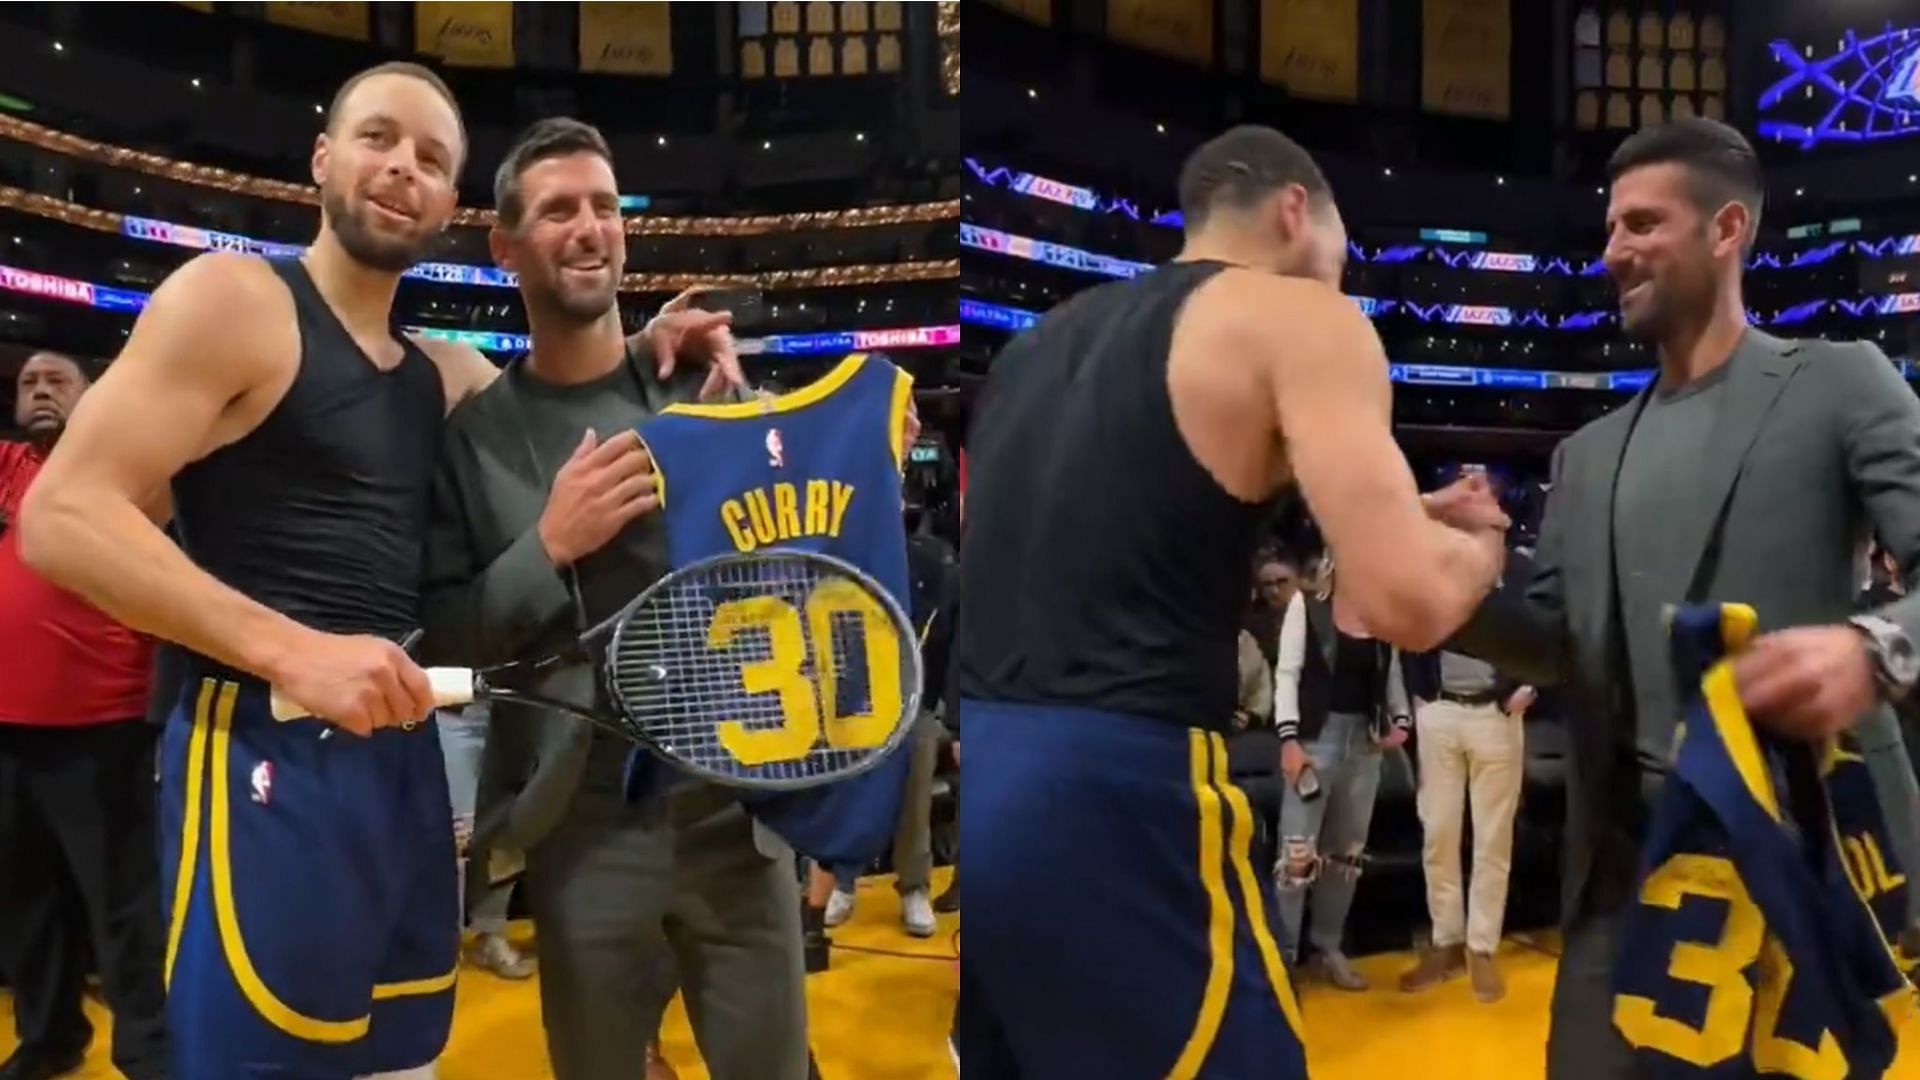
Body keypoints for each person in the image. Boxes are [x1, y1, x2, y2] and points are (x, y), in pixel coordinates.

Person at [19, 67, 733, 1080]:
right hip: (255, 750)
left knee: (400, 1062)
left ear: (448, 206)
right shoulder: (235, 300)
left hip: (399, 764)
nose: (404, 167)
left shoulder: (442, 376)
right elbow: (63, 516)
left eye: (433, 159)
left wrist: (651, 344)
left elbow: (568, 373)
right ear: (323, 159)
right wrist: (292, 651)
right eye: (378, 139)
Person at [953, 124, 1507, 1078]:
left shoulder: (1040, 347)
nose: (1343, 272)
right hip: (1125, 785)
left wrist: (1401, 509)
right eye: (1344, 247)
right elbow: (1406, 600)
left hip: (988, 784)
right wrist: (1485, 546)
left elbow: (1148, 513)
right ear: (1298, 209)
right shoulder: (1302, 315)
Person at [1428, 116, 1920, 1078]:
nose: (1614, 252)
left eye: (1642, 225)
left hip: (1794, 860)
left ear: (1727, 229)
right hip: (1623, 870)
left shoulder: (1839, 383)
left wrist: (1873, 649)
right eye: (1612, 229)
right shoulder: (1588, 452)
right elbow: (1561, 644)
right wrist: (1469, 579)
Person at [419, 117, 803, 1080]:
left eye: (603, 205)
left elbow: (795, 552)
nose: (589, 227)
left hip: (738, 819)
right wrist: (547, 547)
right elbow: (449, 640)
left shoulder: (703, 384)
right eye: (557, 211)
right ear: (505, 246)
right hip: (586, 831)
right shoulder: (476, 441)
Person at [0, 351, 165, 1080]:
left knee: (123, 908)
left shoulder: (134, 467)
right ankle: (51, 1036)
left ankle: (150, 1052)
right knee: (24, 897)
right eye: (28, 382)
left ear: (94, 395)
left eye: (56, 381)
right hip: (8, 725)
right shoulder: (9, 469)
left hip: (106, 722)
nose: (39, 390)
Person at [1271, 555, 1413, 990]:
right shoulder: (1308, 605)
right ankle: (1284, 956)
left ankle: (1328, 946)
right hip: (1316, 738)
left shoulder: (1380, 611)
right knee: (1297, 853)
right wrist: (1289, 739)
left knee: (1346, 854)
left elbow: (1391, 670)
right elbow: (1287, 673)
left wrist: (1401, 718)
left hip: (1364, 743)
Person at [1397, 648, 1532, 1003]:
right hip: (1438, 707)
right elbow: (1411, 626)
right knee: (1438, 830)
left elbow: (1542, 628)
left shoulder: (1512, 589)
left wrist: (1531, 686)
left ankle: (1482, 946)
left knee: (1493, 838)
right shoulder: (1432, 588)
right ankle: (1447, 941)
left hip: (1496, 711)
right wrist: (1417, 697)